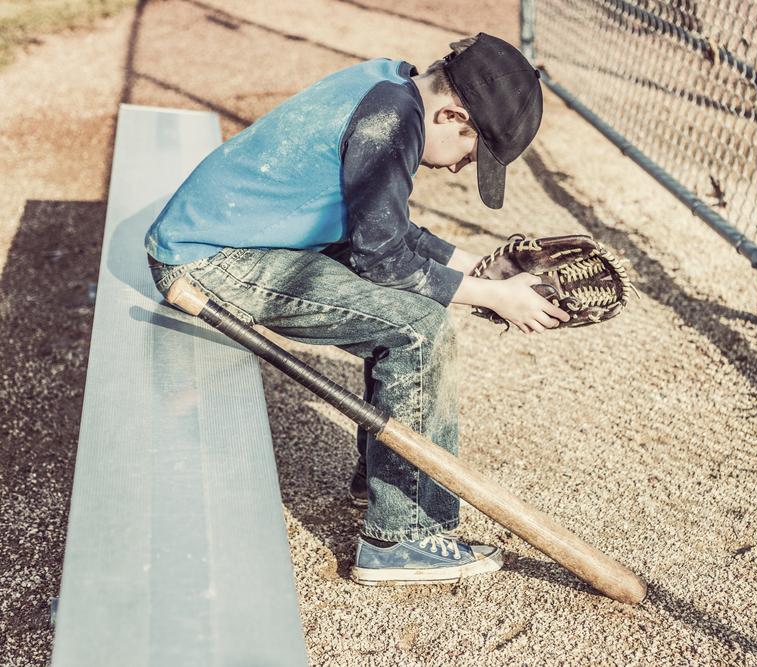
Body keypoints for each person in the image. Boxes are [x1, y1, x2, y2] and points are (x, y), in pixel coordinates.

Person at [144, 33, 569, 586]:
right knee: (418, 328)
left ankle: (386, 481)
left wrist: (478, 268)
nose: (465, 166)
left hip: (238, 242)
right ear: (451, 113)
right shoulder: (390, 125)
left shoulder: (390, 85)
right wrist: (495, 297)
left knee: (407, 316)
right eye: (473, 150)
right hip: (210, 263)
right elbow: (384, 258)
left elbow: (382, 229)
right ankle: (404, 536)